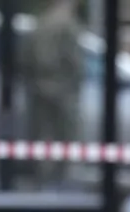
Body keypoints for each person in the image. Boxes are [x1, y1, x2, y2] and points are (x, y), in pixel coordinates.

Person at [19, 0, 84, 190]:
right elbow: (74, 60)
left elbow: (25, 56)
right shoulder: (67, 24)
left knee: (41, 132)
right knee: (64, 133)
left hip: (39, 86)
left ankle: (41, 175)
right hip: (62, 89)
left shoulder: (41, 23)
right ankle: (60, 177)